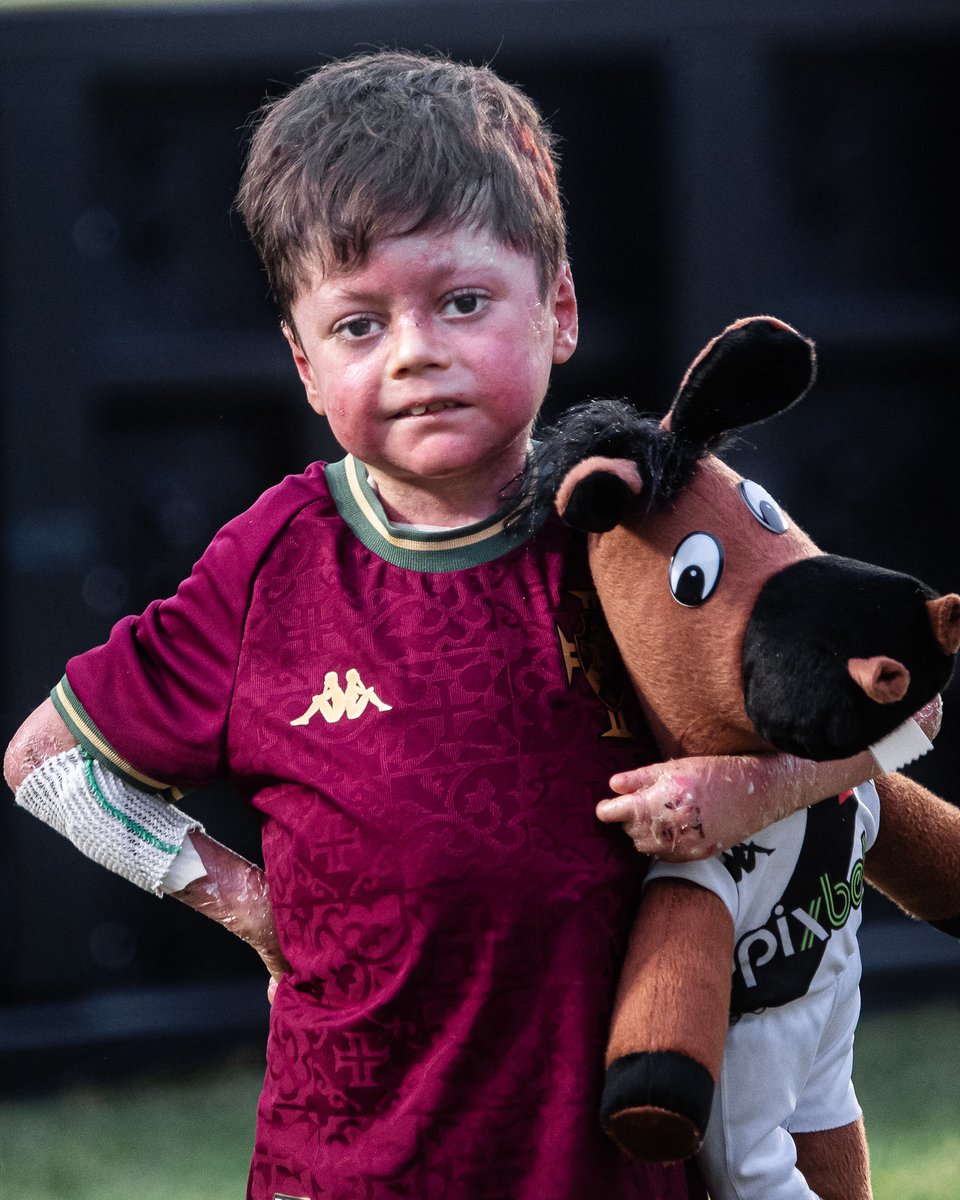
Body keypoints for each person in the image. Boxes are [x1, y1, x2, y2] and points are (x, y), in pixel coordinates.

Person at [4, 51, 892, 1200]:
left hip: (615, 1166)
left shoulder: (654, 521)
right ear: (303, 365)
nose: (416, 351)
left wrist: (750, 792)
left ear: (558, 309)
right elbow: (49, 762)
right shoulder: (269, 566)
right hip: (345, 1169)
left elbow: (896, 710)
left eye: (462, 302)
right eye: (358, 324)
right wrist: (249, 906)